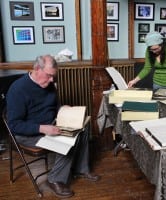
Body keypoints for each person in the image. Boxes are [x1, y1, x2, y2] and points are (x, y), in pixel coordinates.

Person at [6, 55, 99, 198]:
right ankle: (55, 179)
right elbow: (14, 125)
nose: (51, 80)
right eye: (49, 76)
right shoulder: (17, 89)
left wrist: (63, 109)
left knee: (83, 127)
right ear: (37, 69)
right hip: (27, 134)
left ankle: (81, 168)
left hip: (50, 125)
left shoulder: (48, 84)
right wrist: (42, 128)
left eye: (53, 77)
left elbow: (53, 107)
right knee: (66, 141)